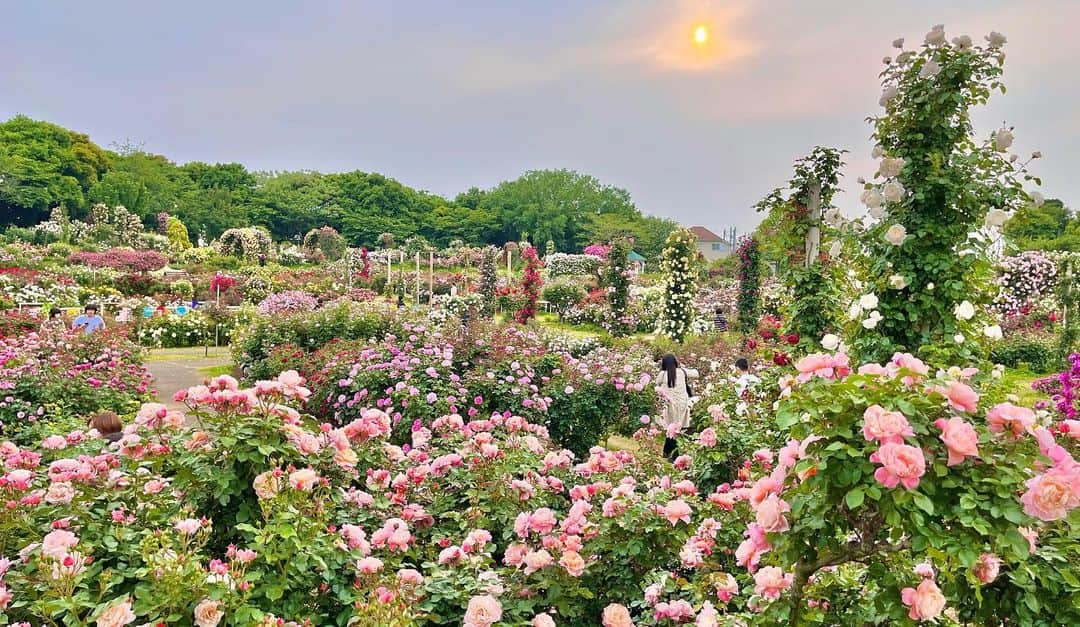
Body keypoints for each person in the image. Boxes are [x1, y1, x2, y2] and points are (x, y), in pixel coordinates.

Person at [657, 353, 699, 461]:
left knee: (671, 429)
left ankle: (670, 453)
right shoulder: (682, 372)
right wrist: (682, 368)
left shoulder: (662, 374)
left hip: (670, 406)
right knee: (677, 430)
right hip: (682, 405)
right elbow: (696, 373)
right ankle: (671, 454)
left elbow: (656, 385)